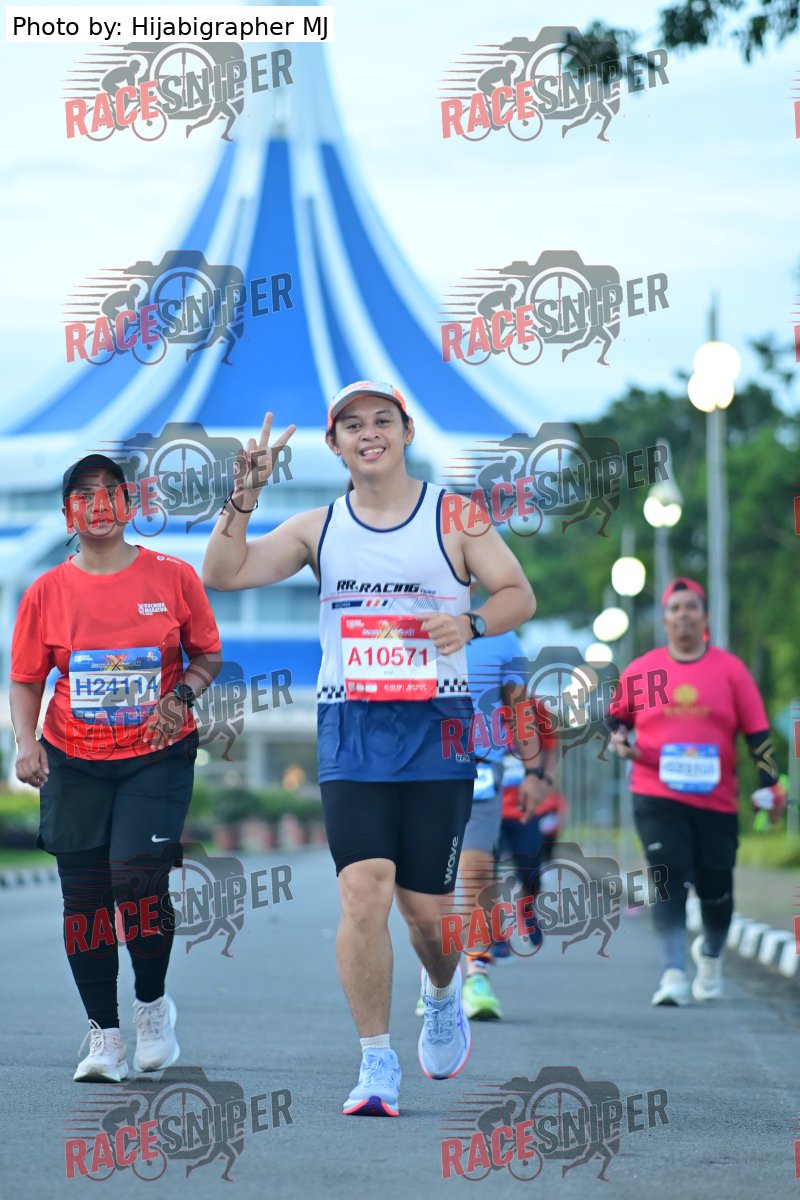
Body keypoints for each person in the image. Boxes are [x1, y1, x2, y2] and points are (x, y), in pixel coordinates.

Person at [201, 383, 535, 1117]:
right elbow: (222, 573)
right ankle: (376, 1061)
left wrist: (472, 624)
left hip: (438, 729)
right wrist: (244, 495)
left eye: (383, 420)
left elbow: (518, 591)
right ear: (335, 445)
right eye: (353, 425)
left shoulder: (455, 516)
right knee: (364, 892)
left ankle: (442, 991)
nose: (369, 433)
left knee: (428, 915)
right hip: (350, 727)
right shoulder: (317, 528)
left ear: (406, 431)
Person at [10, 454, 221, 1081]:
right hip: (72, 757)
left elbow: (206, 656)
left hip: (156, 754)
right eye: (83, 494)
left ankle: (152, 1007)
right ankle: (104, 1036)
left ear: (131, 504)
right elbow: (25, 678)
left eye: (110, 492)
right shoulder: (45, 592)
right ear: (67, 513)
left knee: (137, 882)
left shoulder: (174, 577)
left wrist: (180, 697)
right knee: (84, 899)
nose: (98, 505)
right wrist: (26, 743)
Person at [608, 577, 785, 1006]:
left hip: (716, 800)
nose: (683, 615)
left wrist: (771, 785)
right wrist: (619, 739)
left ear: (705, 618)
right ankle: (673, 972)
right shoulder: (643, 669)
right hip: (656, 793)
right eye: (675, 608)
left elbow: (758, 736)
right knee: (667, 876)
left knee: (715, 885)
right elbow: (616, 718)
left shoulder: (731, 671)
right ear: (665, 620)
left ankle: (710, 958)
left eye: (691, 607)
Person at [446, 609, 548, 1017]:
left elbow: (520, 710)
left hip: (481, 770)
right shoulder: (412, 622)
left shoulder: (503, 637)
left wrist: (534, 772)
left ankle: (477, 973)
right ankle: (437, 979)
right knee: (427, 883)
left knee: (475, 872)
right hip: (420, 770)